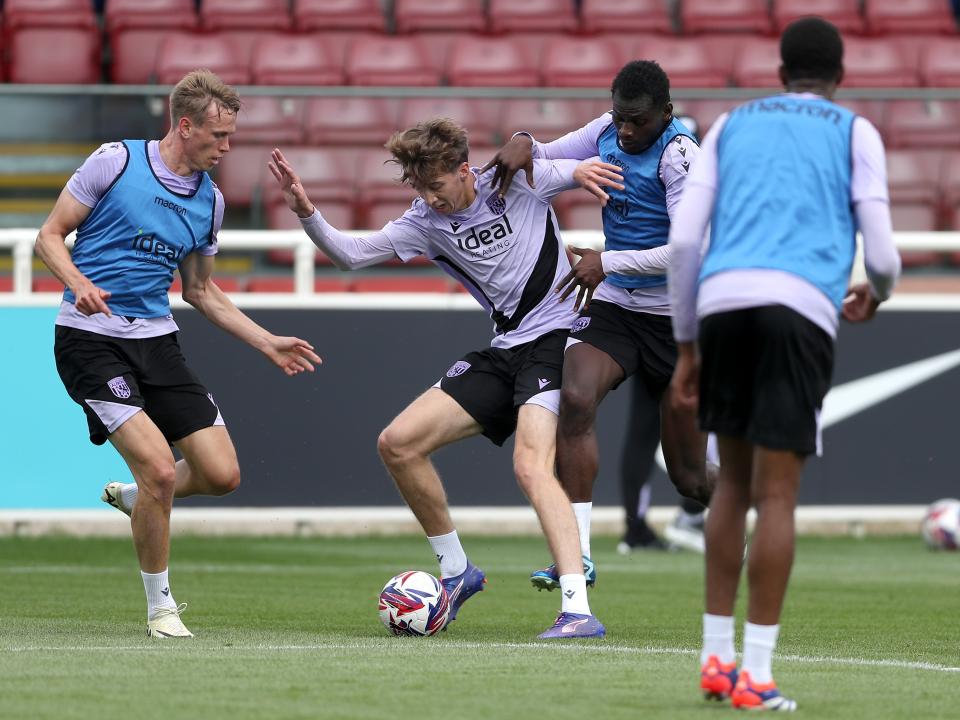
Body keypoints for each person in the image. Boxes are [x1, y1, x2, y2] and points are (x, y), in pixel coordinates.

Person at [270, 118, 624, 639]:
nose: (429, 198)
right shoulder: (423, 224)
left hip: (554, 344)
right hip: (505, 351)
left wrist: (584, 170)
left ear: (464, 171)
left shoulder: (516, 182)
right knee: (397, 443)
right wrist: (306, 211)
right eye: (419, 188)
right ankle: (458, 572)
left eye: (435, 186)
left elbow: (574, 168)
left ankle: (576, 608)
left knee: (530, 466)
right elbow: (350, 255)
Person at [35, 70, 322, 639]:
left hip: (157, 342)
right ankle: (161, 607)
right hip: (90, 340)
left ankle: (137, 497)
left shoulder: (209, 202)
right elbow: (48, 236)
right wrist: (79, 282)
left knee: (222, 474)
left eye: (231, 136)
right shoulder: (115, 162)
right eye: (218, 136)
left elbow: (200, 291)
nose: (227, 147)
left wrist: (266, 341)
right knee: (162, 470)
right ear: (184, 126)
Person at [669, 18, 901, 710]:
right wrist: (877, 293)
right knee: (777, 496)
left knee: (731, 485)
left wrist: (687, 344)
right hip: (798, 307)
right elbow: (884, 257)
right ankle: (759, 675)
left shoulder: (729, 125)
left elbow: (685, 243)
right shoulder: (854, 131)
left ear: (779, 73)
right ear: (839, 77)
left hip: (722, 305)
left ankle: (716, 660)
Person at [484, 60, 715, 590]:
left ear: (667, 113)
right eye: (620, 117)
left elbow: (686, 250)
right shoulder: (606, 130)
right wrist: (522, 140)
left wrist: (605, 261)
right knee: (578, 395)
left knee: (688, 475)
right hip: (616, 306)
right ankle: (579, 553)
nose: (626, 131)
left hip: (678, 319)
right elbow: (543, 153)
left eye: (637, 121)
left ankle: (743, 510)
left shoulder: (681, 156)